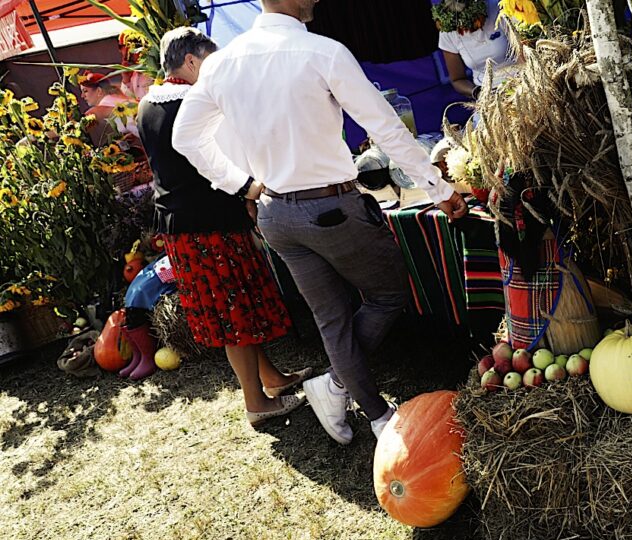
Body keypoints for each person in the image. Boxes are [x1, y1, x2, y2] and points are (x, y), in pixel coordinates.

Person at [171, 0, 469, 445]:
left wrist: (242, 185)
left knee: (332, 321)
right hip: (328, 209)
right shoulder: (321, 51)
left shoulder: (224, 63)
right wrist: (439, 190)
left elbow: (185, 137)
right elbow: (385, 126)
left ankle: (373, 414)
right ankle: (339, 386)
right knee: (389, 294)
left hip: (275, 214)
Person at [138, 27, 311, 427]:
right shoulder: (192, 102)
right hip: (209, 224)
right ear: (192, 61)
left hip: (182, 228)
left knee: (240, 311)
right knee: (235, 315)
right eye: (211, 61)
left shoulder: (148, 104)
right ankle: (256, 403)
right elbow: (222, 161)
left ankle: (271, 379)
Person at [436, 0, 516, 99]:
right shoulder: (447, 31)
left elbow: (524, 51)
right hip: (488, 95)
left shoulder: (499, 7)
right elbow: (457, 79)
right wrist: (478, 93)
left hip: (519, 81)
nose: (465, 27)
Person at [79, 72, 137, 141]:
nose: (82, 96)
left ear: (99, 91)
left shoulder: (104, 105)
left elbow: (82, 121)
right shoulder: (116, 99)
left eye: (85, 91)